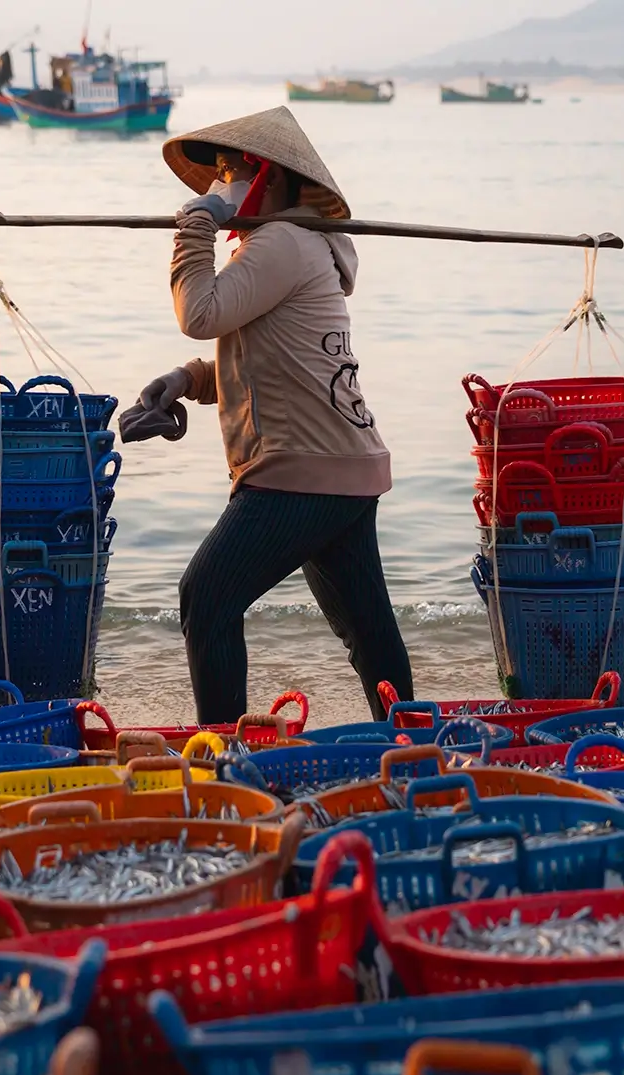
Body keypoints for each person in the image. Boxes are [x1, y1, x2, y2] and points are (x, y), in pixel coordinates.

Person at [122, 106, 414, 724]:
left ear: (268, 178)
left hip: (302, 472)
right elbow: (262, 356)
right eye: (216, 174)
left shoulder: (283, 242)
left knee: (206, 598)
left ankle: (224, 753)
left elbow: (198, 314)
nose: (217, 184)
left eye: (230, 171)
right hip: (343, 465)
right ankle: (413, 745)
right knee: (368, 632)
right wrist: (187, 380)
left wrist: (195, 225)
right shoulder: (286, 245)